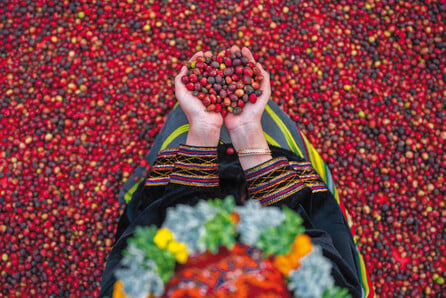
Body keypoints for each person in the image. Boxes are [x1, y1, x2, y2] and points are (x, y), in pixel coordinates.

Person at [99, 46, 370, 297]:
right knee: (278, 133)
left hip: (174, 190)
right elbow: (321, 251)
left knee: (171, 140)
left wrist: (203, 134)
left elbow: (139, 244)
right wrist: (248, 133)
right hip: (288, 189)